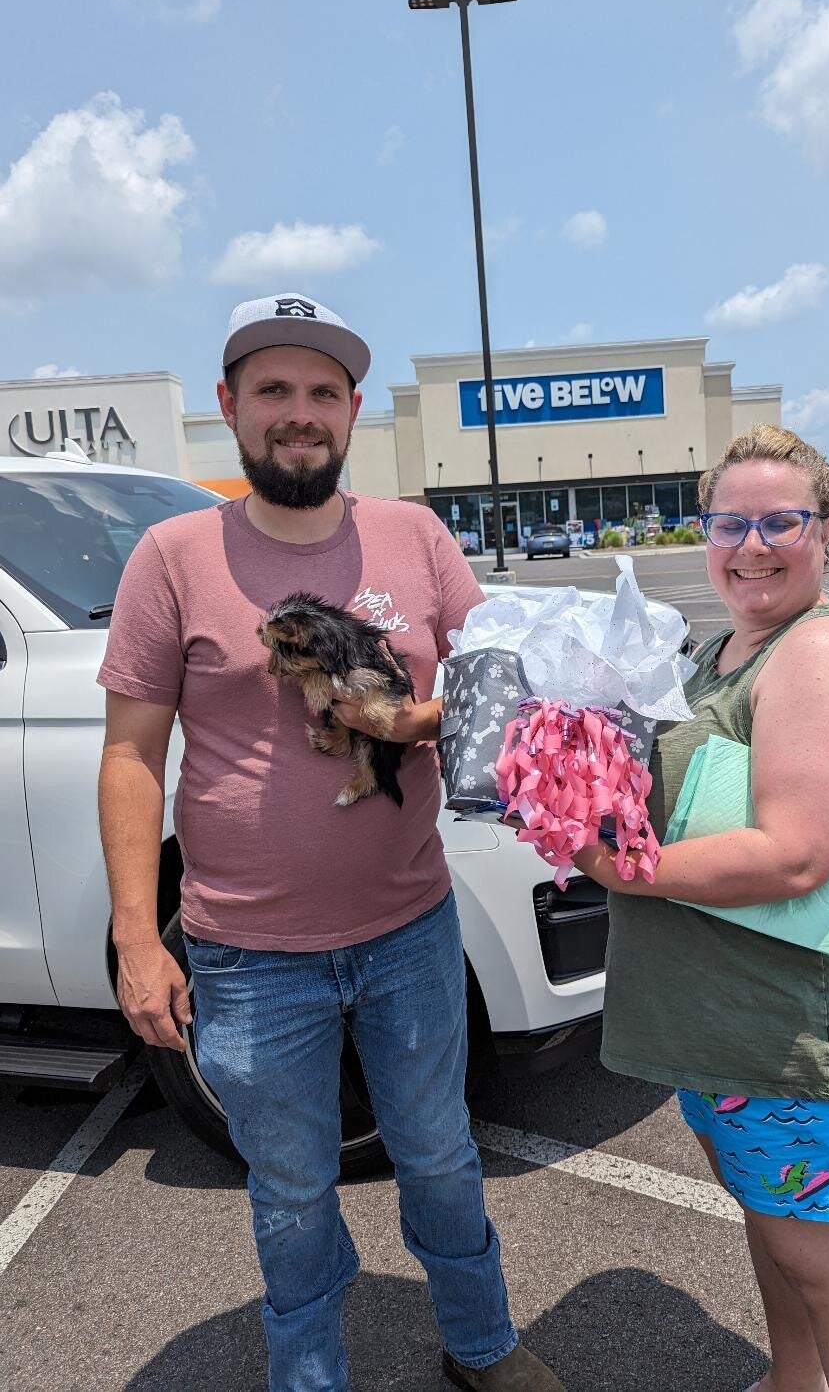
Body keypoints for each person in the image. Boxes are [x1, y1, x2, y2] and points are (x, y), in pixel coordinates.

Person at [97, 292, 564, 1392]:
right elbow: (129, 755)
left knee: (440, 1153)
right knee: (292, 1190)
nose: (298, 412)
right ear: (230, 406)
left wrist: (411, 722)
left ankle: (483, 1347)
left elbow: (501, 685)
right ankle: (310, 1376)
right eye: (273, 389)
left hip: (410, 931)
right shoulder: (172, 555)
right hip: (247, 957)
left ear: (353, 409)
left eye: (322, 391)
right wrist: (136, 938)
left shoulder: (416, 536)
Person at [575, 424, 829, 1392]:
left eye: (781, 521)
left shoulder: (824, 654)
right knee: (780, 1239)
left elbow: (795, 852)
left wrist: (621, 869)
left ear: (826, 531)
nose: (752, 545)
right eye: (729, 523)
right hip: (728, 1027)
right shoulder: (726, 649)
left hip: (797, 1038)